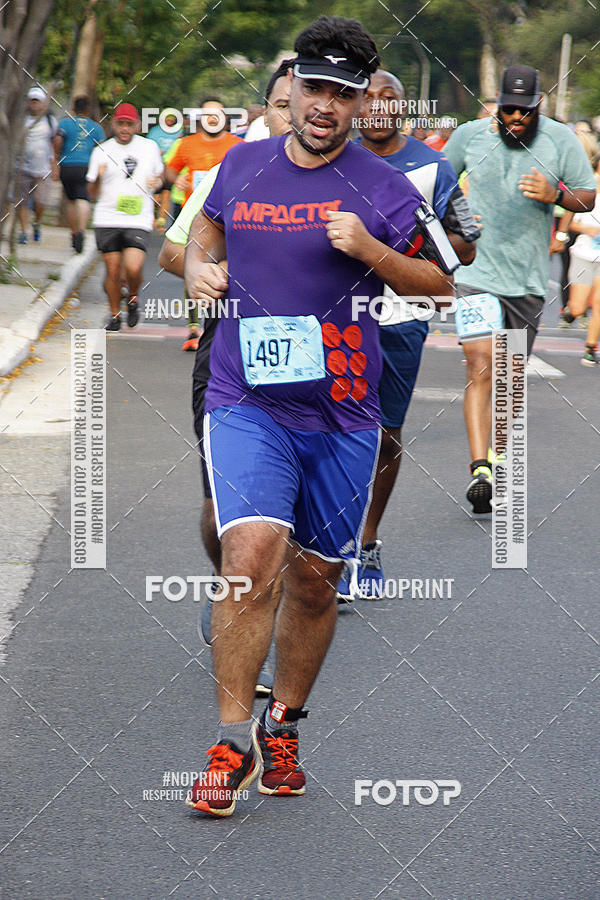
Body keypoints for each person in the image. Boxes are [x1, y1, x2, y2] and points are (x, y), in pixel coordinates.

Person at [182, 15, 454, 818]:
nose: (325, 104)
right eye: (313, 87)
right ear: (290, 85)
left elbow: (439, 284)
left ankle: (286, 723)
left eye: (343, 91)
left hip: (342, 412)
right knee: (254, 553)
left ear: (364, 97)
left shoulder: (387, 186)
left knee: (313, 581)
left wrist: (372, 250)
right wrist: (202, 264)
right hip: (245, 400)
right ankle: (230, 745)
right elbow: (205, 223)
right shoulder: (241, 163)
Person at [158, 59, 295, 695]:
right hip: (230, 350)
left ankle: (262, 595)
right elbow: (172, 250)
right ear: (264, 112)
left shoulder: (348, 179)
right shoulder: (230, 171)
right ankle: (234, 588)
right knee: (225, 510)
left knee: (294, 513)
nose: (296, 115)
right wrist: (199, 270)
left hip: (319, 357)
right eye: (283, 104)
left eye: (310, 102)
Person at [336, 69, 479, 600]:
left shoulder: (431, 165)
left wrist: (426, 240)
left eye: (387, 97)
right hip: (337, 314)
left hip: (401, 315)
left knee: (385, 433)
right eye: (366, 95)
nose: (376, 105)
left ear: (403, 107)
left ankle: (367, 541)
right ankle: (330, 547)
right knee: (333, 427)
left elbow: (465, 244)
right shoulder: (334, 156)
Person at [445, 65, 596, 514]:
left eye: (524, 111)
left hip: (527, 282)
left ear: (538, 106)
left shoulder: (559, 140)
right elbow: (437, 182)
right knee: (479, 366)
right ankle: (480, 470)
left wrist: (556, 194)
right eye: (508, 110)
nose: (515, 118)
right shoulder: (471, 136)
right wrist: (455, 218)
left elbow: (587, 196)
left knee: (510, 379)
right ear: (497, 104)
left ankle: (500, 457)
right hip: (476, 276)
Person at [164, 99, 243, 351]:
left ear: (225, 118)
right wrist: (177, 181)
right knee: (193, 265)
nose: (211, 119)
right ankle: (193, 327)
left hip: (225, 220)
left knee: (218, 272)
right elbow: (169, 171)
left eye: (216, 114)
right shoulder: (186, 144)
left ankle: (215, 325)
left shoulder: (239, 147)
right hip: (193, 212)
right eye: (207, 114)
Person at [86, 103, 164, 331]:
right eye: (121, 123)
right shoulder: (101, 150)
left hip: (137, 218)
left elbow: (160, 176)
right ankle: (114, 315)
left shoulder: (149, 147)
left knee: (132, 267)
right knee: (112, 270)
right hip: (107, 218)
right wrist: (99, 178)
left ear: (137, 125)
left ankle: (132, 297)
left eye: (130, 124)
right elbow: (91, 194)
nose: (125, 128)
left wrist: (157, 183)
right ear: (114, 124)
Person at [561, 152, 600, 365]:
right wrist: (589, 229)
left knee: (598, 303)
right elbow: (572, 221)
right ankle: (571, 312)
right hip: (584, 254)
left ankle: (590, 348)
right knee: (578, 307)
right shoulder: (588, 192)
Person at [53, 95, 105, 253]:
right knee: (83, 198)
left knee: (70, 200)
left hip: (67, 165)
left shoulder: (65, 123)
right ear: (88, 110)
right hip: (86, 166)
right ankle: (82, 230)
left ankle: (74, 232)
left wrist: (57, 158)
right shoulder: (96, 127)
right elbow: (102, 148)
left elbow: (57, 140)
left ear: (74, 108)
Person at [16, 87, 58, 244]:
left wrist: (54, 164)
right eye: (31, 101)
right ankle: (23, 231)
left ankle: (37, 222)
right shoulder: (21, 119)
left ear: (42, 104)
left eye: (37, 101)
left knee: (41, 201)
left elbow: (54, 142)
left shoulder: (50, 120)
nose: (34, 104)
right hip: (22, 167)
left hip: (43, 169)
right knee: (23, 201)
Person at [146, 108, 182, 231]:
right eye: (167, 118)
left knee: (167, 194)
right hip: (156, 166)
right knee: (156, 196)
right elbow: (148, 146)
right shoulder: (155, 131)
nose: (170, 121)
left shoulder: (179, 131)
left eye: (172, 118)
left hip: (171, 168)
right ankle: (153, 218)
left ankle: (161, 221)